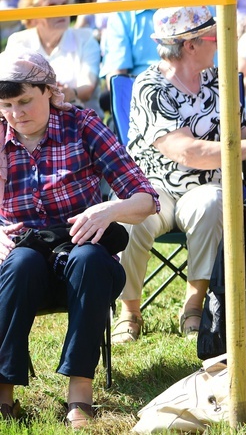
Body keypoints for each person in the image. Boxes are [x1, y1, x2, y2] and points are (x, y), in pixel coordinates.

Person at [0, 48, 158, 427]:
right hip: (21, 263)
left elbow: (146, 198)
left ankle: (80, 394)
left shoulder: (82, 125)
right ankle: (3, 395)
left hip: (83, 260)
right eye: (6, 105)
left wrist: (108, 209)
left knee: (88, 258)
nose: (17, 113)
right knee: (20, 263)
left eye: (25, 101)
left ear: (50, 92)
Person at [112, 6, 246, 344]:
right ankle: (130, 311)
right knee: (128, 212)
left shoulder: (218, 79)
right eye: (216, 37)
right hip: (154, 187)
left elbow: (245, 129)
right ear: (191, 45)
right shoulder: (151, 85)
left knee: (214, 201)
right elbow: (186, 151)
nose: (224, 43)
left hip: (205, 186)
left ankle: (194, 307)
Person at [7, 0, 102, 116]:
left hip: (80, 123)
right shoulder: (18, 42)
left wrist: (71, 93)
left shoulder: (86, 38)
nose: (61, 11)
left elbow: (88, 88)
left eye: (64, 4)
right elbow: (11, 90)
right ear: (33, 13)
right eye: (52, 6)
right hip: (30, 124)